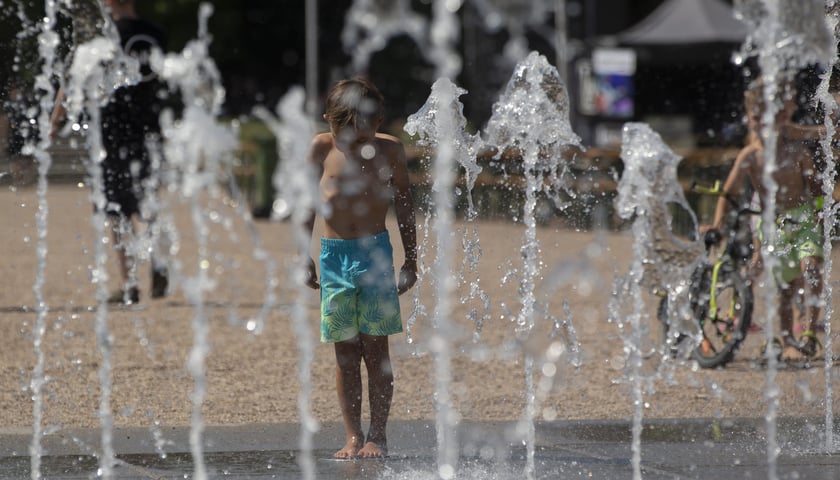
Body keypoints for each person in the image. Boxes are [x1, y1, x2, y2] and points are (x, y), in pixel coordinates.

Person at [302, 76, 418, 458]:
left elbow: (403, 205)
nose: (358, 143)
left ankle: (378, 435)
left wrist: (411, 259)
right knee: (346, 354)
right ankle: (353, 435)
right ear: (329, 122)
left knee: (376, 352)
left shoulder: (390, 150)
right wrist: (303, 254)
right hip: (333, 257)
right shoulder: (321, 148)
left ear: (379, 121)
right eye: (348, 136)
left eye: (365, 135)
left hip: (375, 257)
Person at [51, 0, 169, 304]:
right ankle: (157, 261)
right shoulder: (155, 34)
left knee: (116, 210)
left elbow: (73, 78)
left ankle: (129, 284)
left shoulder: (103, 37)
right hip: (150, 130)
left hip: (112, 132)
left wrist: (56, 119)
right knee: (147, 201)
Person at [704, 79, 828, 364]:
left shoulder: (798, 151)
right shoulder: (750, 156)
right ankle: (781, 337)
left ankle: (808, 333)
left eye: (768, 116)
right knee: (781, 283)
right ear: (750, 119)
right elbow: (727, 191)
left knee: (811, 268)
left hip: (803, 218)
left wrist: (820, 214)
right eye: (757, 117)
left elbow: (818, 189)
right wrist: (716, 224)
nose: (763, 123)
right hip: (773, 222)